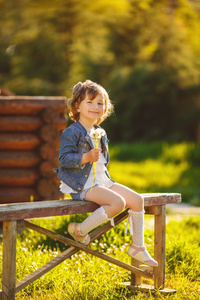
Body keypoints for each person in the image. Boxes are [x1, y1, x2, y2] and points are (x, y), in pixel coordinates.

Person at [56, 80, 158, 267]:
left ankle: (138, 246)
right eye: (90, 102)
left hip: (102, 181)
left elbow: (103, 163)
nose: (96, 107)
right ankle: (80, 229)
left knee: (137, 201)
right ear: (77, 106)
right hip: (83, 184)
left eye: (100, 103)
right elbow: (63, 159)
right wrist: (85, 157)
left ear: (105, 108)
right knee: (117, 202)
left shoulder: (99, 131)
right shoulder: (72, 132)